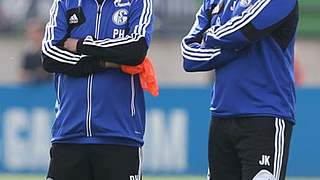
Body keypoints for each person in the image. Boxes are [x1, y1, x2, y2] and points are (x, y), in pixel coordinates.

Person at [181, 0, 298, 179]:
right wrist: (233, 48)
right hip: (221, 116)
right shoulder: (213, 2)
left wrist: (210, 37)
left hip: (265, 115)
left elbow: (247, 28)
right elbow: (189, 56)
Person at [41, 0, 153, 179]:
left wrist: (81, 45)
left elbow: (135, 50)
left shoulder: (137, 2)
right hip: (70, 134)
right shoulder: (65, 2)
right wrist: (102, 63)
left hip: (120, 135)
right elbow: (49, 56)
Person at [21, 18, 51, 84]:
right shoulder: (28, 51)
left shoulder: (49, 50)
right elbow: (22, 72)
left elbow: (49, 71)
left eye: (37, 32)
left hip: (48, 86)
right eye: (32, 33)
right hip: (31, 87)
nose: (34, 36)